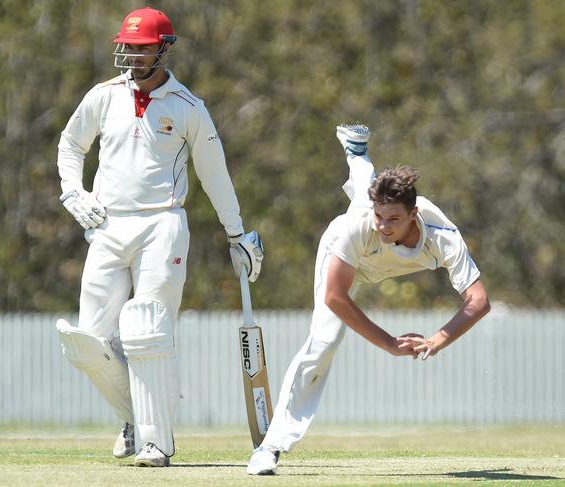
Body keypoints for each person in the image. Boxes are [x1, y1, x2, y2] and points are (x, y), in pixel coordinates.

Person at [54, 7, 263, 467]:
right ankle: (135, 418)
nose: (130, 54)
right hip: (107, 225)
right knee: (88, 340)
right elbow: (70, 146)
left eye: (141, 47)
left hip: (162, 225)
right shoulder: (103, 96)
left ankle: (156, 442)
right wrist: (73, 192)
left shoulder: (188, 107)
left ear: (164, 48)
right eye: (126, 45)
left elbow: (215, 175)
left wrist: (236, 233)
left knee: (148, 331)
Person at [246, 123, 491, 475]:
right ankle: (270, 447)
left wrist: (439, 339)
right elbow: (335, 297)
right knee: (324, 341)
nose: (384, 225)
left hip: (375, 256)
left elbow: (478, 301)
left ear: (414, 214)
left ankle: (358, 153)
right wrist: (389, 342)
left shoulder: (442, 237)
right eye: (381, 216)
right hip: (346, 258)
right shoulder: (361, 224)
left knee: (365, 193)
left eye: (393, 218)